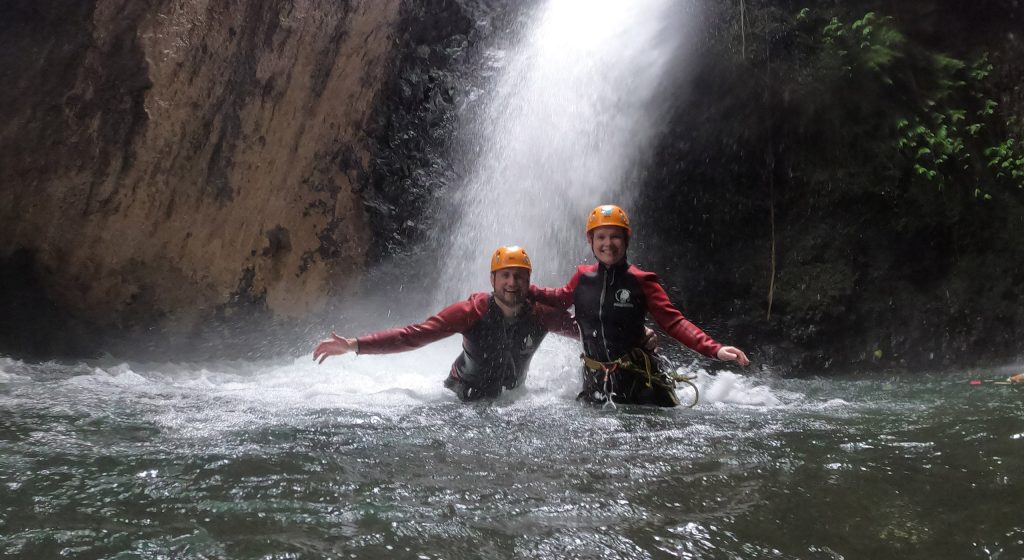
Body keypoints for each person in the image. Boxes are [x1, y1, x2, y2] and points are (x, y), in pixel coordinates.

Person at [313, 245, 658, 401]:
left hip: (511, 400)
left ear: (529, 281)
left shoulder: (542, 313)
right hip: (462, 398)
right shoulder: (471, 311)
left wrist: (635, 336)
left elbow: (589, 331)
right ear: (493, 280)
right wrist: (356, 345)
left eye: (520, 277)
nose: (513, 284)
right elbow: (414, 336)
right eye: (506, 276)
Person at [530, 204, 751, 407]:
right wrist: (524, 290)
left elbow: (674, 322)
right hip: (595, 384)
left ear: (626, 239)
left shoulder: (642, 281)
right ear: (591, 241)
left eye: (615, 236)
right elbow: (560, 298)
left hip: (638, 384)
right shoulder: (582, 278)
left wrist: (716, 349)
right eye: (601, 237)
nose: (608, 243)